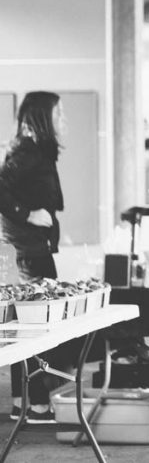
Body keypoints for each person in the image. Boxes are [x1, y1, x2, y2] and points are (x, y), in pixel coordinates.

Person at [0, 91, 67, 422]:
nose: (63, 121)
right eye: (58, 114)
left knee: (26, 328)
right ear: (42, 117)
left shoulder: (35, 151)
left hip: (33, 250)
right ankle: (36, 404)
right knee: (35, 328)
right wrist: (26, 214)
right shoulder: (27, 151)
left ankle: (23, 402)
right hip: (29, 254)